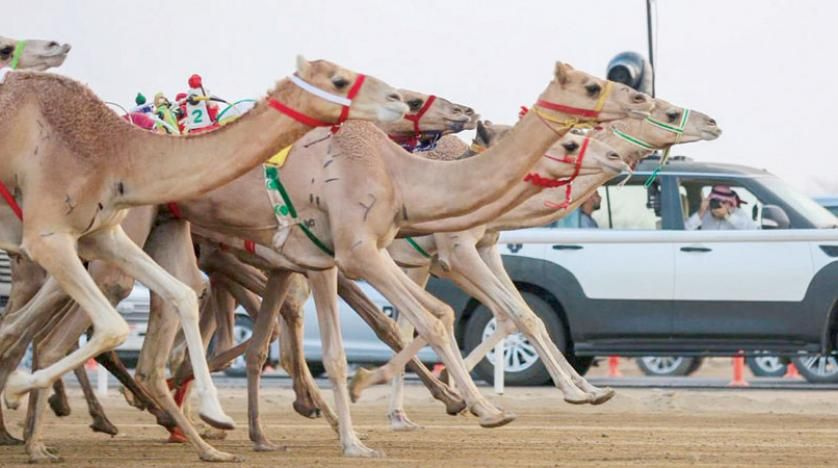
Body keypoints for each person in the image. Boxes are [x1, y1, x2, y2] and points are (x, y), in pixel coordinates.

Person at [685, 184, 759, 230]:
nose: (718, 205)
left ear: (730, 203)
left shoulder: (738, 213)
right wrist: (700, 212)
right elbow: (684, 230)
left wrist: (728, 216)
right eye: (715, 201)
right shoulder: (705, 214)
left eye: (723, 202)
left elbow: (752, 229)